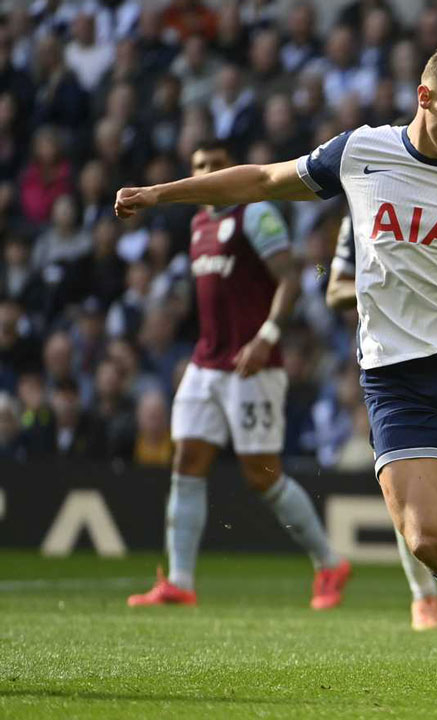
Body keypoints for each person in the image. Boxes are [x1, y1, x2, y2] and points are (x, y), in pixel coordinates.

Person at [116, 45, 437, 683]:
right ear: (424, 97)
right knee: (427, 541)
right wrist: (161, 194)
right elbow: (261, 179)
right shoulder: (361, 152)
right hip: (397, 379)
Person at [126, 141, 350, 610]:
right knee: (186, 461)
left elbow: (291, 277)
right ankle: (180, 582)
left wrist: (267, 335)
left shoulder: (255, 214)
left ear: (231, 170)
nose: (208, 172)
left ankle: (329, 563)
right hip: (207, 364)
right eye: (200, 166)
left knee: (261, 475)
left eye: (216, 166)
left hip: (253, 365)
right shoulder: (198, 223)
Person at [326, 214, 437, 632]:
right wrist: (387, 283)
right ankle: (425, 598)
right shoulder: (359, 219)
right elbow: (334, 290)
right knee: (408, 489)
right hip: (398, 366)